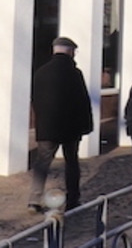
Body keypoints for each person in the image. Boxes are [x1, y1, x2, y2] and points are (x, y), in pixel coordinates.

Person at [28, 36, 92, 212]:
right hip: (71, 127)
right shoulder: (74, 73)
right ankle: (72, 199)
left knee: (42, 163)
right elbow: (82, 102)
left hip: (47, 126)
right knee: (71, 162)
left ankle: (34, 199)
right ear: (71, 52)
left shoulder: (41, 72)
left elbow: (35, 100)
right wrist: (86, 125)